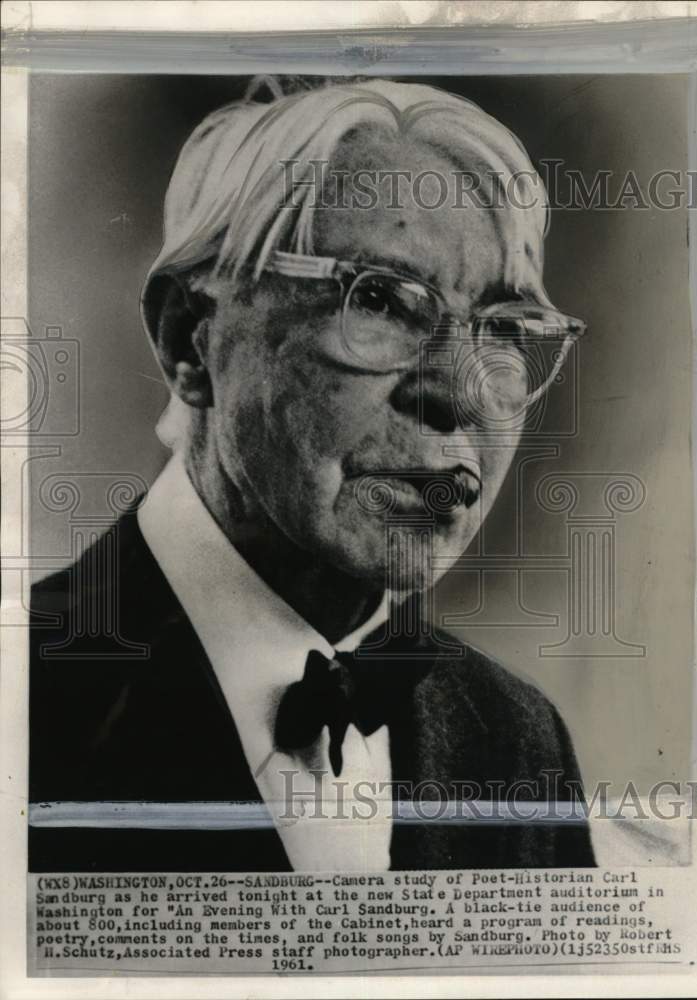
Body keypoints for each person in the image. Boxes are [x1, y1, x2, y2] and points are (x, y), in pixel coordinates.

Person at [29, 77, 595, 873]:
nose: (458, 393)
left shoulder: (517, 737)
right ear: (190, 339)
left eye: (503, 331)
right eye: (384, 303)